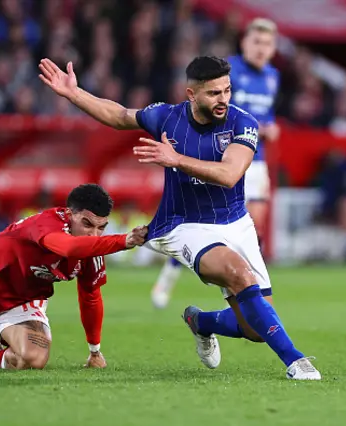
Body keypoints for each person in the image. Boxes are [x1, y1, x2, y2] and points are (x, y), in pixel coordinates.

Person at [38, 55, 320, 380]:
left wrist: (176, 159)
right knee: (239, 274)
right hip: (182, 225)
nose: (223, 100)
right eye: (214, 93)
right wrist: (74, 94)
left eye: (227, 91)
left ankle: (201, 322)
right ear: (191, 94)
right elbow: (119, 115)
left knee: (256, 328)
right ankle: (297, 362)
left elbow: (229, 175)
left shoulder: (244, 123)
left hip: (235, 222)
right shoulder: (167, 117)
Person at [0, 184, 147, 369]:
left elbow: (91, 296)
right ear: (69, 213)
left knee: (33, 358)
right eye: (87, 224)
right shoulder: (46, 223)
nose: (94, 235)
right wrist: (123, 240)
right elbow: (69, 249)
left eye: (101, 227)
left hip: (26, 299)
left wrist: (94, 351)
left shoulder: (93, 250)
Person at [150, 18, 280, 309]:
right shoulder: (226, 71)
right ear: (244, 43)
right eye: (256, 42)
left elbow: (265, 115)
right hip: (218, 156)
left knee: (254, 224)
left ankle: (236, 290)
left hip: (254, 160)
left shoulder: (273, 76)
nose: (261, 49)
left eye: (267, 44)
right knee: (205, 220)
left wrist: (270, 128)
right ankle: (173, 270)